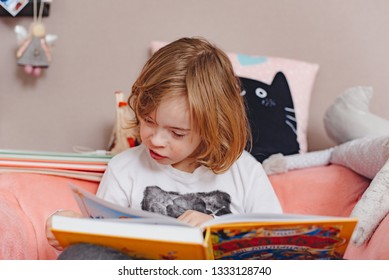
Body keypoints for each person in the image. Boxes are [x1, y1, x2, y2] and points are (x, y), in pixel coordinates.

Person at [46, 37, 283, 259]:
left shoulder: (245, 171)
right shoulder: (124, 169)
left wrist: (215, 228)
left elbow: (275, 245)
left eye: (177, 133)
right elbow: (102, 239)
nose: (156, 139)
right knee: (81, 256)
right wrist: (74, 229)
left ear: (213, 129)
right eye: (148, 121)